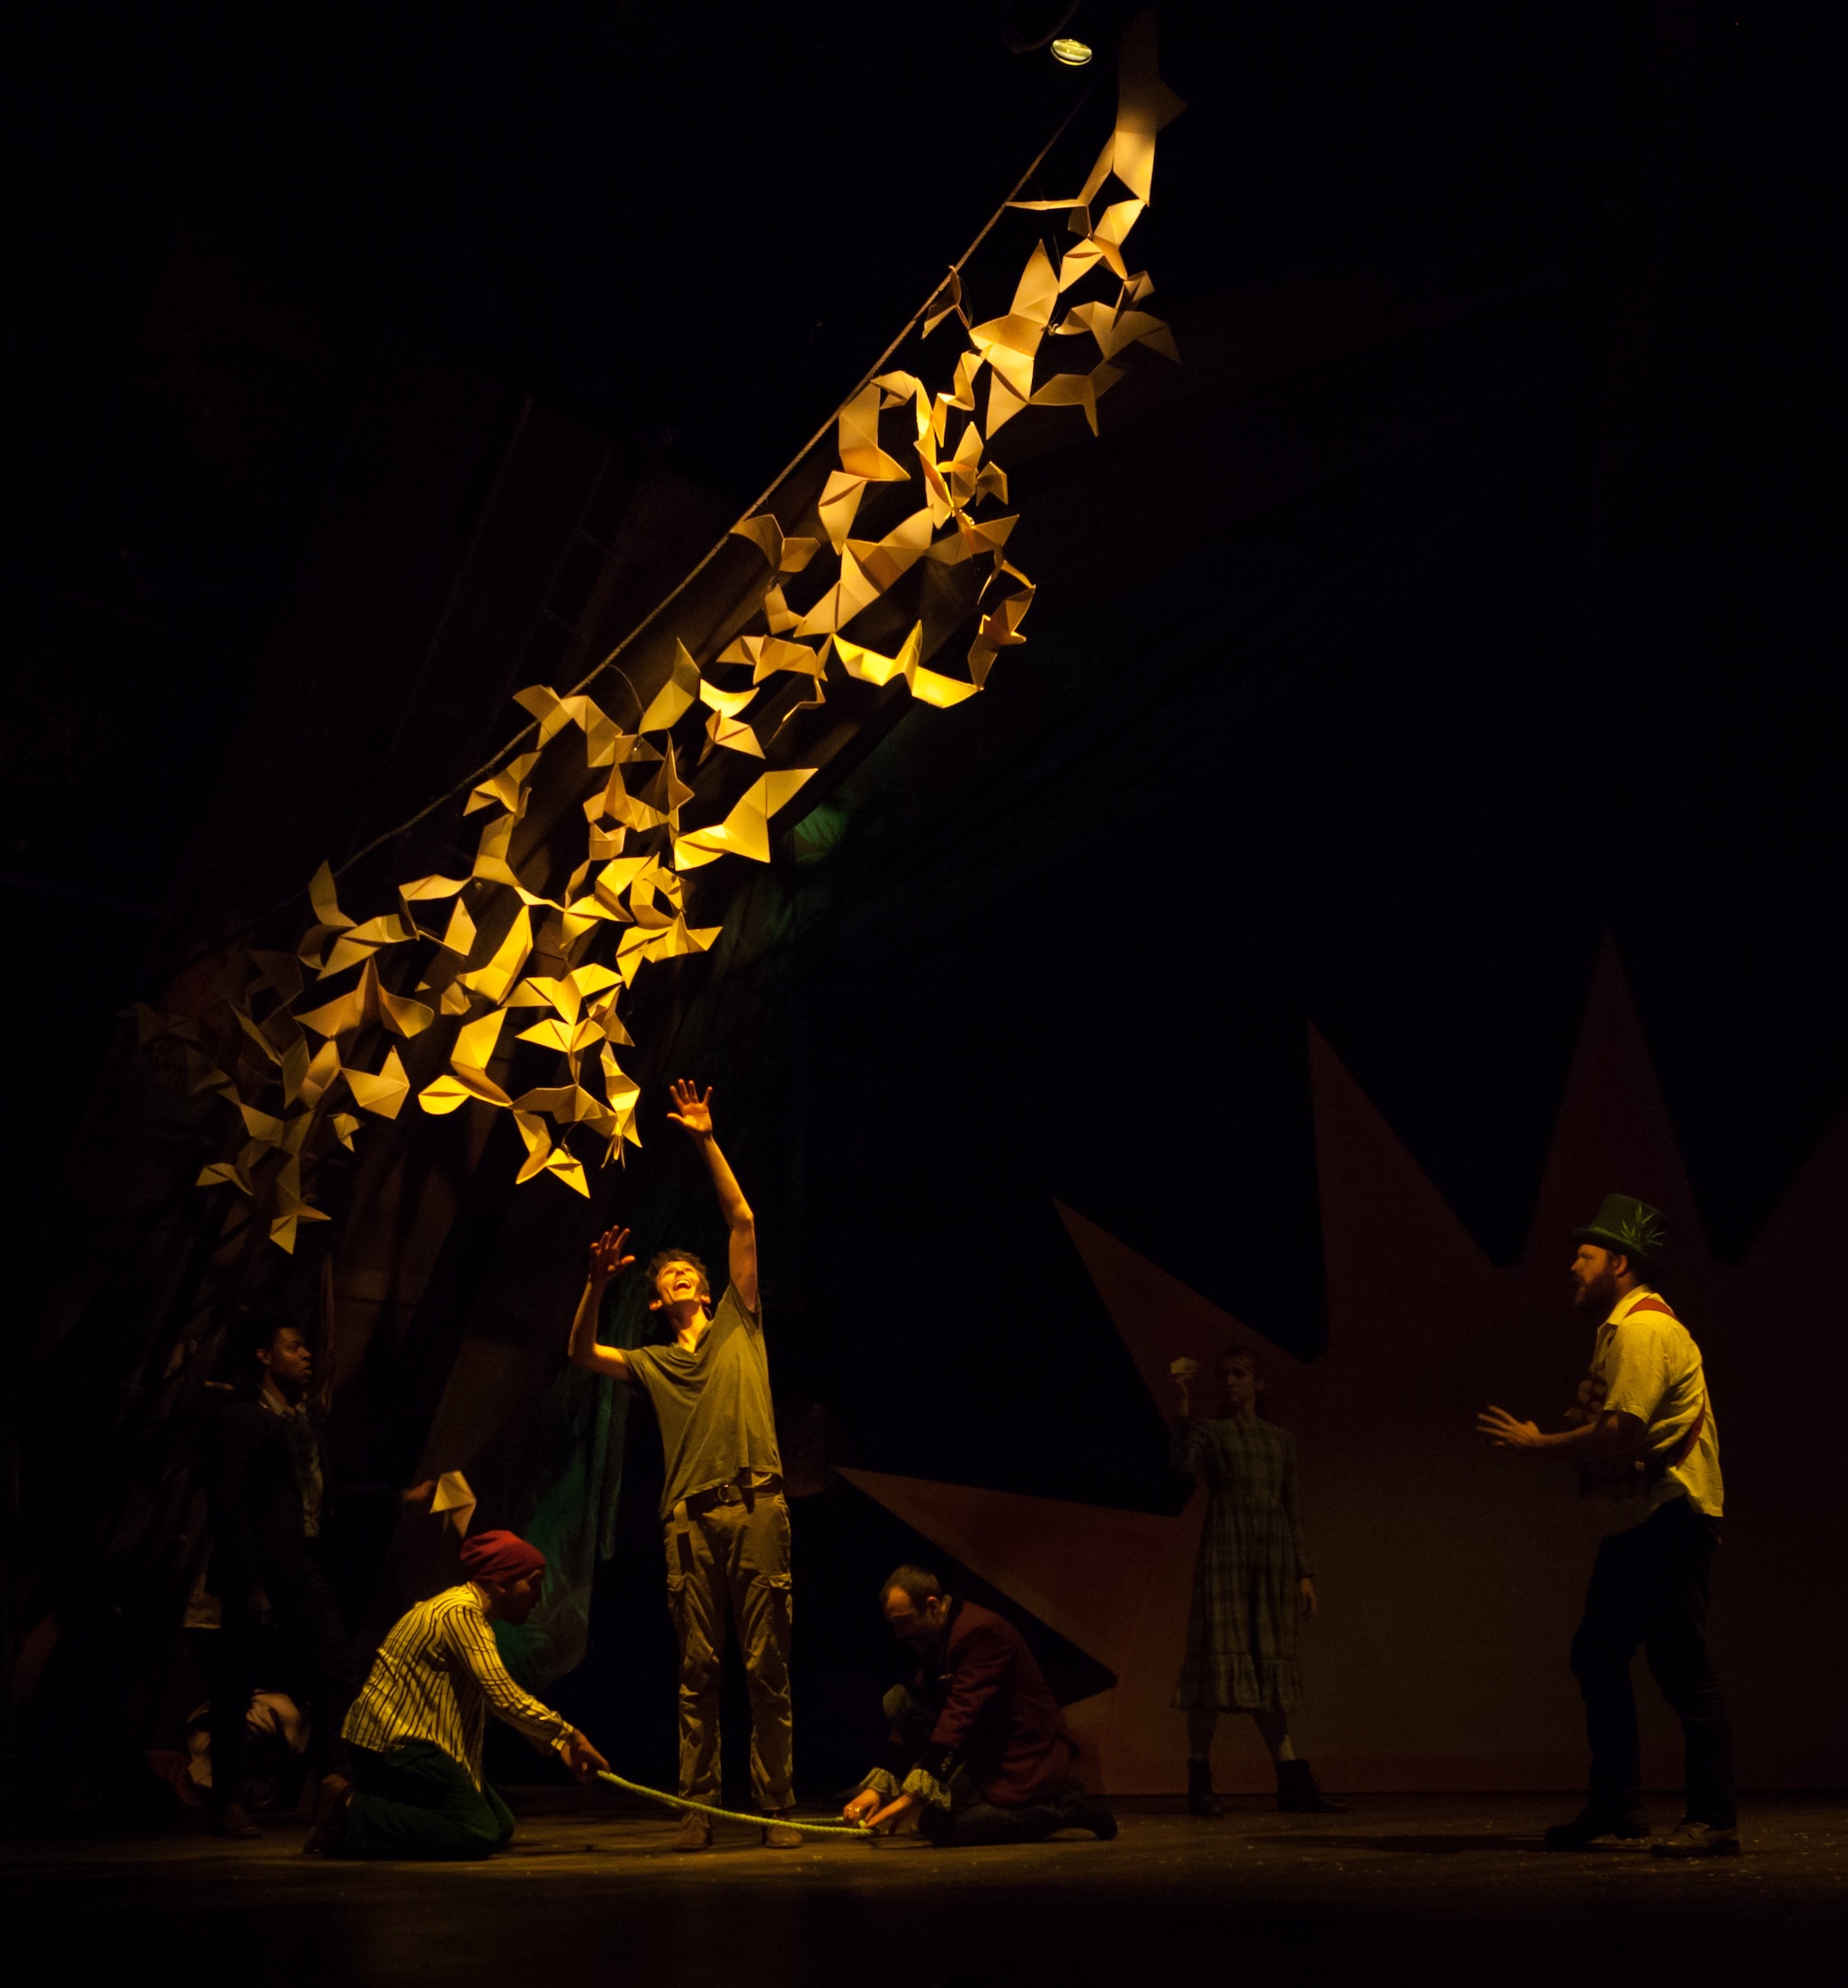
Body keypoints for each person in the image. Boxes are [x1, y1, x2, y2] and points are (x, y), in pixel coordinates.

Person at [566, 1079, 800, 1850]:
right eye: (664, 1277)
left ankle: (774, 1809)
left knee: (767, 1670)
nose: (677, 1279)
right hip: (689, 1524)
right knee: (697, 1675)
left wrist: (704, 1136)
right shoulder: (652, 1361)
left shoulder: (741, 1320)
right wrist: (597, 1284)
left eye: (685, 1272)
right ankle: (698, 1809)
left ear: (705, 1286)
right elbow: (579, 1352)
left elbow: (742, 1217)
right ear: (659, 1300)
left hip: (756, 1506)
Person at [1477, 1193, 1736, 1858]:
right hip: (1644, 1518)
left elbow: (1623, 1430)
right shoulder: (1621, 1329)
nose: (1572, 1265)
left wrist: (1542, 1444)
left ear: (1619, 1263)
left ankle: (1714, 1816)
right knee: (1598, 1653)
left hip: (1670, 1513)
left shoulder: (1645, 1330)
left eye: (1585, 1255)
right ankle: (1617, 1802)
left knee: (1680, 1665)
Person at [304, 1530, 608, 1857]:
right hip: (393, 1746)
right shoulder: (460, 1613)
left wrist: (561, 1741)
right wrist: (568, 1736)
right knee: (476, 1830)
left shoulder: (463, 1612)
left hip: (417, 1745)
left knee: (499, 1824)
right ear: (501, 1582)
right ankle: (348, 1807)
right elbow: (503, 1696)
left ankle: (359, 1823)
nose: (539, 1595)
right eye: (533, 1582)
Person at [197, 1315, 356, 1838]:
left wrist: (403, 1498)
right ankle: (226, 1802)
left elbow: (319, 1501)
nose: (307, 1354)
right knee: (235, 1684)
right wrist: (252, 1582)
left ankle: (331, 1787)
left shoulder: (305, 1422)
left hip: (303, 1565)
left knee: (336, 1668)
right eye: (295, 1345)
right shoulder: (239, 1419)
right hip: (259, 1567)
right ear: (265, 1356)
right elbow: (229, 1506)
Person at [1168, 1345, 1341, 1815]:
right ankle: (1200, 1780)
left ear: (1258, 1383)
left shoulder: (1280, 1441)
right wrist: (1182, 1403)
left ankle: (1291, 1780)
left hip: (1271, 1558)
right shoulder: (1211, 1432)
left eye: (1239, 1374)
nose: (1229, 1381)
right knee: (1214, 1662)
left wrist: (1304, 1573)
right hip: (1226, 1552)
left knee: (1266, 1662)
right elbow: (1183, 1462)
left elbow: (1292, 1507)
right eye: (1223, 1374)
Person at [841, 1566, 1116, 1847]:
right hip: (980, 1747)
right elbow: (924, 1704)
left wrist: (912, 1796)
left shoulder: (981, 1632)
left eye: (905, 1622)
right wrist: (878, 1789)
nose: (899, 1634)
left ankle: (1063, 1805)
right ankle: (992, 1797)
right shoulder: (938, 1636)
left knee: (941, 1827)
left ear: (932, 1606)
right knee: (898, 1700)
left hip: (1020, 1753)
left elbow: (961, 1712)